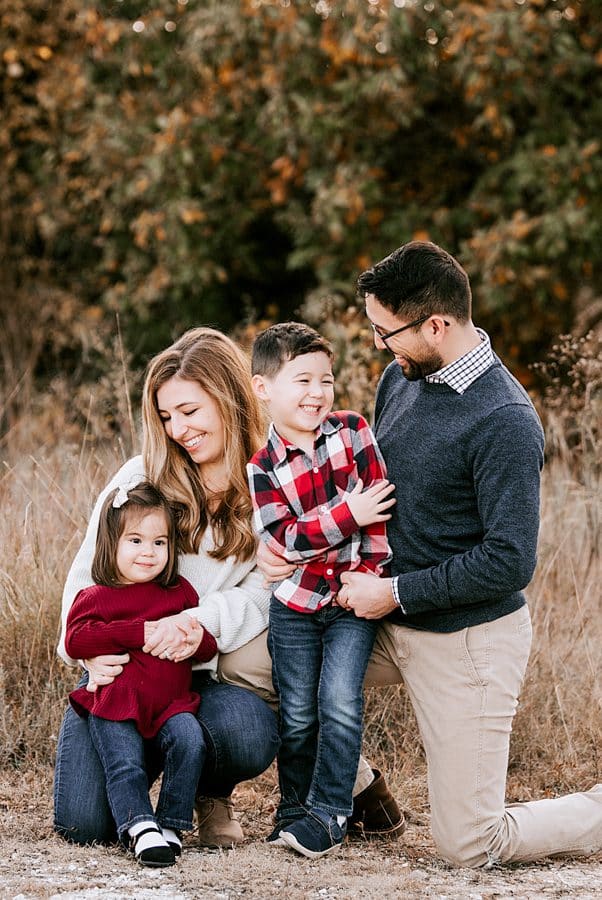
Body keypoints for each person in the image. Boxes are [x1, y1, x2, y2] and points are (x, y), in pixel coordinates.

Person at [55, 326, 401, 850]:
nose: (179, 430)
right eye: (167, 417)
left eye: (190, 412)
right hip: (124, 678)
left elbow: (271, 587)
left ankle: (209, 790)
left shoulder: (274, 476)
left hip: (200, 685)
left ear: (228, 396)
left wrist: (198, 624)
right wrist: (89, 655)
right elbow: (85, 580)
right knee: (85, 827)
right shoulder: (138, 481)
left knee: (247, 730)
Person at [321, 240, 601, 866]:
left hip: (468, 639)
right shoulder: (401, 378)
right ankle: (364, 797)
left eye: (384, 332)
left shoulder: (505, 419)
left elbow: (509, 561)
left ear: (436, 325)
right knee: (251, 666)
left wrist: (392, 593)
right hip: (381, 617)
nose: (379, 346)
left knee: (470, 845)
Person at [247, 323, 395, 858]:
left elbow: (379, 514)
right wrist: (346, 513)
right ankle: (293, 809)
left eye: (326, 380)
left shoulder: (355, 432)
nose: (317, 392)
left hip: (352, 599)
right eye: (302, 380)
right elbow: (282, 539)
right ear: (263, 388)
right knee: (298, 711)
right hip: (294, 606)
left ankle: (331, 810)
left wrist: (371, 573)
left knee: (337, 702)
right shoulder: (261, 467)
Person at [65, 481, 218, 867]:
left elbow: (205, 647)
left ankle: (170, 823)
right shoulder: (97, 596)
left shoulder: (179, 593)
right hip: (116, 702)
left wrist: (194, 639)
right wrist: (138, 631)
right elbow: (77, 640)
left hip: (171, 704)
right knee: (125, 762)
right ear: (111, 544)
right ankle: (139, 826)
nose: (148, 552)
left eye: (159, 543)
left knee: (190, 741)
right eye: (135, 540)